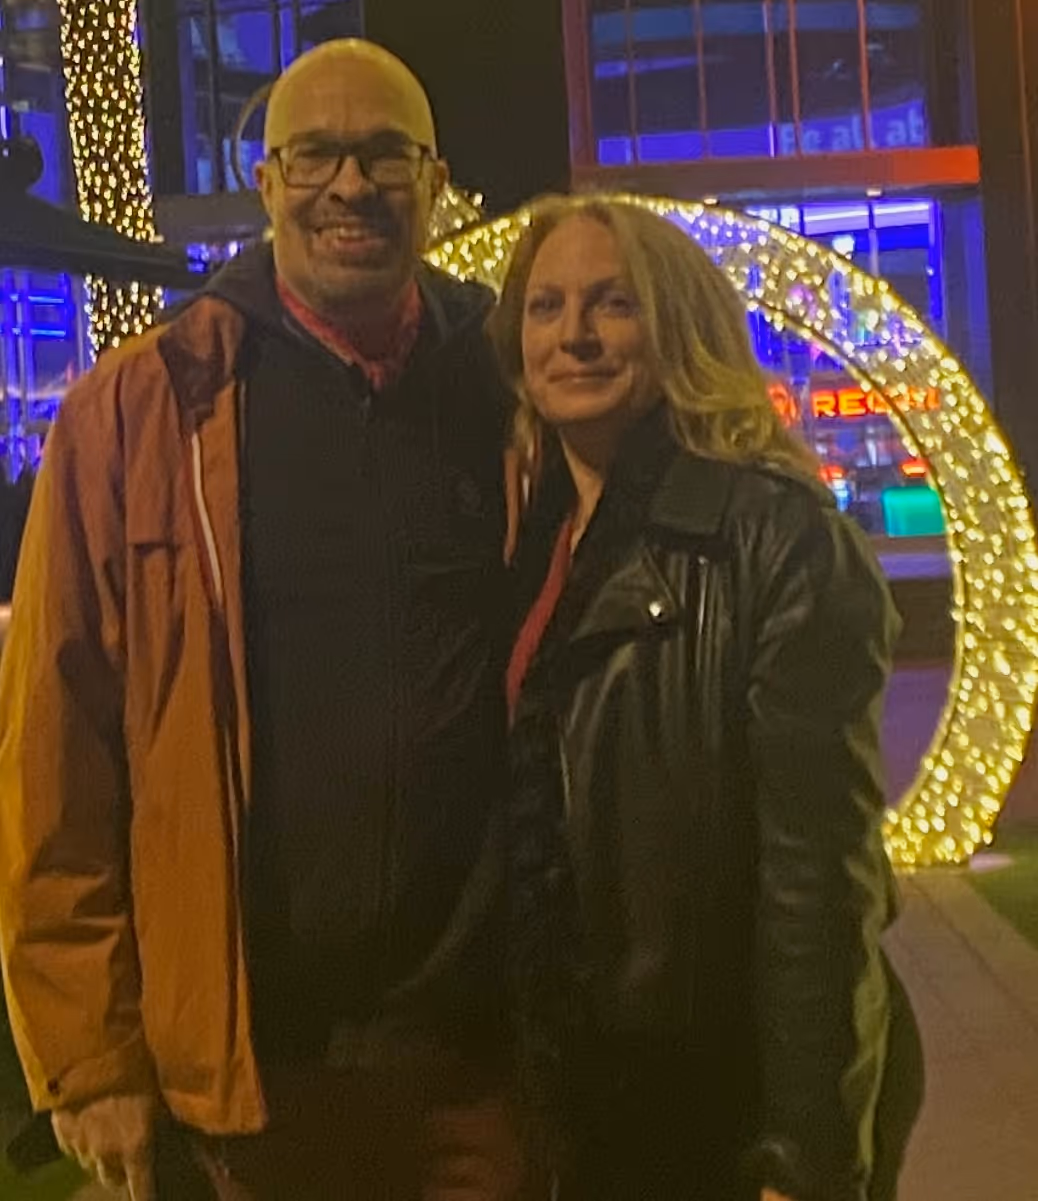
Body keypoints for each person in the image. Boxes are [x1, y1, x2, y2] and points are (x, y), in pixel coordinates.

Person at [0, 39, 525, 1201]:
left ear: (436, 182)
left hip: (476, 1057)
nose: (351, 185)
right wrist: (89, 1053)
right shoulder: (139, 409)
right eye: (317, 155)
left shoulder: (508, 389)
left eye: (385, 154)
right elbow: (54, 747)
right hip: (248, 1071)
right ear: (268, 181)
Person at [488, 197, 922, 1201]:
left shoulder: (775, 537)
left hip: (717, 1103)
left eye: (614, 303)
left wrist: (804, 1158)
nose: (574, 334)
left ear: (679, 326)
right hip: (590, 1094)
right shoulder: (536, 536)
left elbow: (817, 882)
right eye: (546, 306)